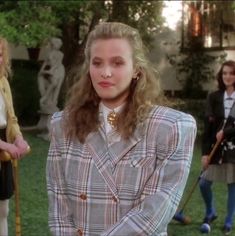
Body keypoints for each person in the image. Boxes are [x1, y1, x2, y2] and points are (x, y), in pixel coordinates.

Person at [46, 22, 197, 236]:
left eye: (117, 63)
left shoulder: (171, 128)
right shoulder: (63, 125)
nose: (105, 73)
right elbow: (58, 206)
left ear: (136, 69)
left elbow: (154, 213)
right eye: (97, 63)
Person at [199, 60, 235, 235]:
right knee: (204, 183)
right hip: (216, 147)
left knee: (232, 185)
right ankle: (210, 212)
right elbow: (208, 127)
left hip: (233, 150)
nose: (227, 76)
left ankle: (229, 220)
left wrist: (227, 132)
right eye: (224, 73)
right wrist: (205, 153)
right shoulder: (213, 97)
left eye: (231, 73)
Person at [0, 37, 29, 235]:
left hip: (4, 150)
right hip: (3, 148)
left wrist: (18, 138)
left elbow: (11, 119)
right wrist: (5, 146)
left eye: (0, 53)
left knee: (3, 210)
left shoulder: (3, 82)